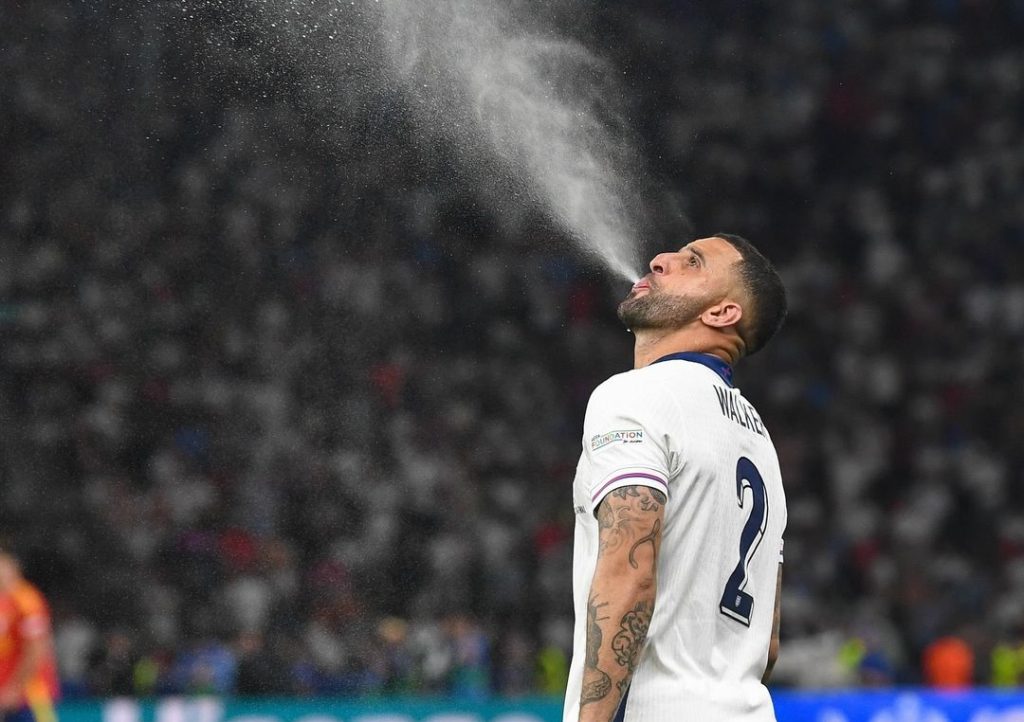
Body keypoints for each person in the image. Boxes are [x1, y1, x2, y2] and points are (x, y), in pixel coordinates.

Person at [563, 235, 788, 722]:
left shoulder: (637, 395)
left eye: (692, 262)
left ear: (723, 314)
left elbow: (629, 573)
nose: (659, 260)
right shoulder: (761, 443)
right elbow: (766, 641)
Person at [0, 551, 60, 722]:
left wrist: (15, 688)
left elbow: (36, 649)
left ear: (14, 569)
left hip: (31, 695)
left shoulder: (27, 600)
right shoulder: (4, 601)